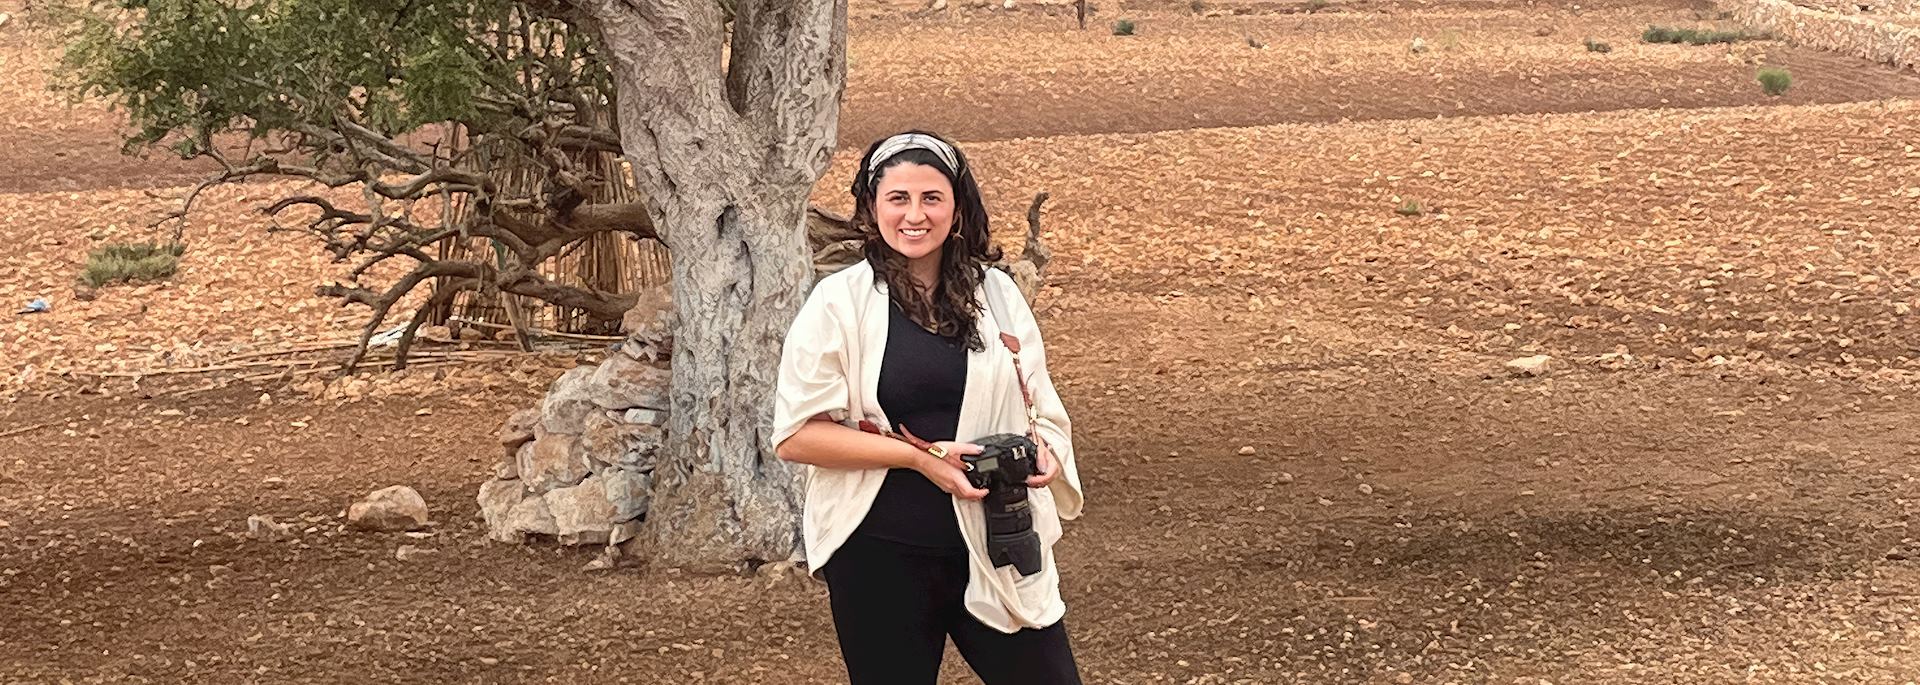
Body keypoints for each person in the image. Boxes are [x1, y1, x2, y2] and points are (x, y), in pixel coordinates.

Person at [771, 130, 1086, 685]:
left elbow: (1041, 406)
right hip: (879, 552)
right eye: (898, 198)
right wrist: (919, 459)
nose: (914, 215)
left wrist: (1048, 455)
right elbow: (797, 436)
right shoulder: (838, 303)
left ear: (957, 207)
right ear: (872, 208)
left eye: (931, 198)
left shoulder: (998, 296)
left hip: (997, 539)